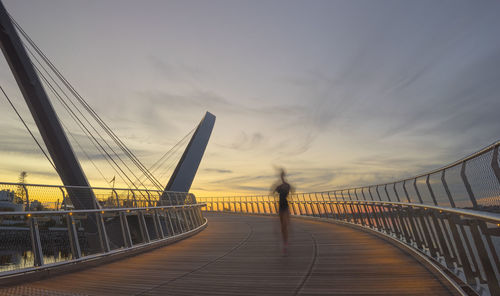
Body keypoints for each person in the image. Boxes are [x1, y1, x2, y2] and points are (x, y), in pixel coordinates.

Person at [274, 169, 292, 254]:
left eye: (282, 175)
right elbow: (273, 192)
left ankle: (285, 243)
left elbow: (290, 190)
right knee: (282, 226)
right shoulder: (281, 186)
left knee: (285, 225)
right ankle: (285, 241)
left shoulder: (286, 186)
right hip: (280, 206)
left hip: (285, 206)